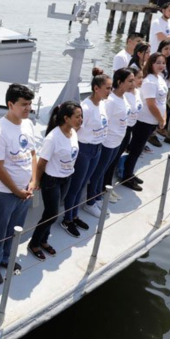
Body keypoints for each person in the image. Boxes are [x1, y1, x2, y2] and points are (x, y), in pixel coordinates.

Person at [0, 83, 37, 284]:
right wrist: (16, 190)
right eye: (24, 104)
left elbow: (32, 154)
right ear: (10, 104)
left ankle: (6, 258)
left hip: (25, 190)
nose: (28, 108)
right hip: (5, 193)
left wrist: (33, 181)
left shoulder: (28, 124)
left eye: (30, 104)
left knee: (15, 228)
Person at [27, 102, 82, 260]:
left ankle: (44, 240)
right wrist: (36, 181)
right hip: (52, 180)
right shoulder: (53, 138)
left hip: (66, 178)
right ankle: (34, 243)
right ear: (66, 118)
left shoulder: (73, 132)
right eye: (77, 116)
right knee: (52, 214)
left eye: (81, 116)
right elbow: (41, 163)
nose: (81, 120)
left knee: (52, 212)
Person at [60, 72, 110, 238]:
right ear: (96, 88)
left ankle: (74, 215)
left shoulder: (101, 104)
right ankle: (67, 219)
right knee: (76, 185)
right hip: (84, 150)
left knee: (82, 184)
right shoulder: (86, 108)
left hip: (96, 149)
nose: (110, 91)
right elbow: (75, 129)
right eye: (107, 88)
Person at [86, 68, 133, 213]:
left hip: (117, 142)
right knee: (99, 172)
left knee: (105, 170)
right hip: (107, 142)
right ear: (120, 82)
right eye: (130, 81)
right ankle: (90, 202)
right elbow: (104, 121)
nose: (133, 83)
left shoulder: (123, 97)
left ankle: (98, 196)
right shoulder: (111, 101)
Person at [122, 53, 168, 191]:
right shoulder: (149, 81)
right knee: (136, 149)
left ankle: (130, 173)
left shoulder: (160, 78)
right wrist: (160, 119)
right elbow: (151, 104)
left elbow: (163, 101)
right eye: (157, 62)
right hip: (145, 121)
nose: (161, 65)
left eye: (163, 62)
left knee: (139, 148)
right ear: (151, 64)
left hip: (154, 121)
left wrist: (163, 118)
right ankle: (127, 176)